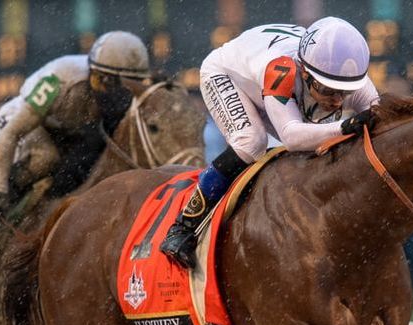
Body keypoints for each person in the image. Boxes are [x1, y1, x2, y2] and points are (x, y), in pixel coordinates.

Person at [159, 17, 380, 268]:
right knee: (251, 142)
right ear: (305, 72)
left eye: (346, 92)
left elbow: (382, 117)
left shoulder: (347, 76)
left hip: (266, 76)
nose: (338, 101)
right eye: (328, 91)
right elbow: (292, 136)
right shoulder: (281, 69)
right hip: (226, 75)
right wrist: (345, 126)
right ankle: (183, 226)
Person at [0, 31, 150, 233]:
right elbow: (12, 133)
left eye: (128, 86)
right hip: (28, 119)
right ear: (95, 75)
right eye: (109, 83)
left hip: (67, 128)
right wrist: (0, 188)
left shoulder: (102, 84)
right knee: (46, 157)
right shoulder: (61, 79)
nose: (118, 95)